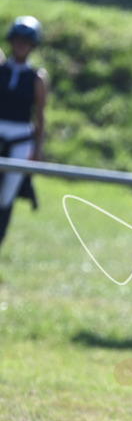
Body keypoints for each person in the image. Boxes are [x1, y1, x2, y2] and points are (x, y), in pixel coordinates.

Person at [0, 16, 48, 250]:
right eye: (17, 40)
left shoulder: (36, 78)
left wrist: (37, 149)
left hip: (20, 138)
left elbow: (39, 116)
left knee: (6, 195)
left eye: (25, 42)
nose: (20, 46)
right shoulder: (1, 69)